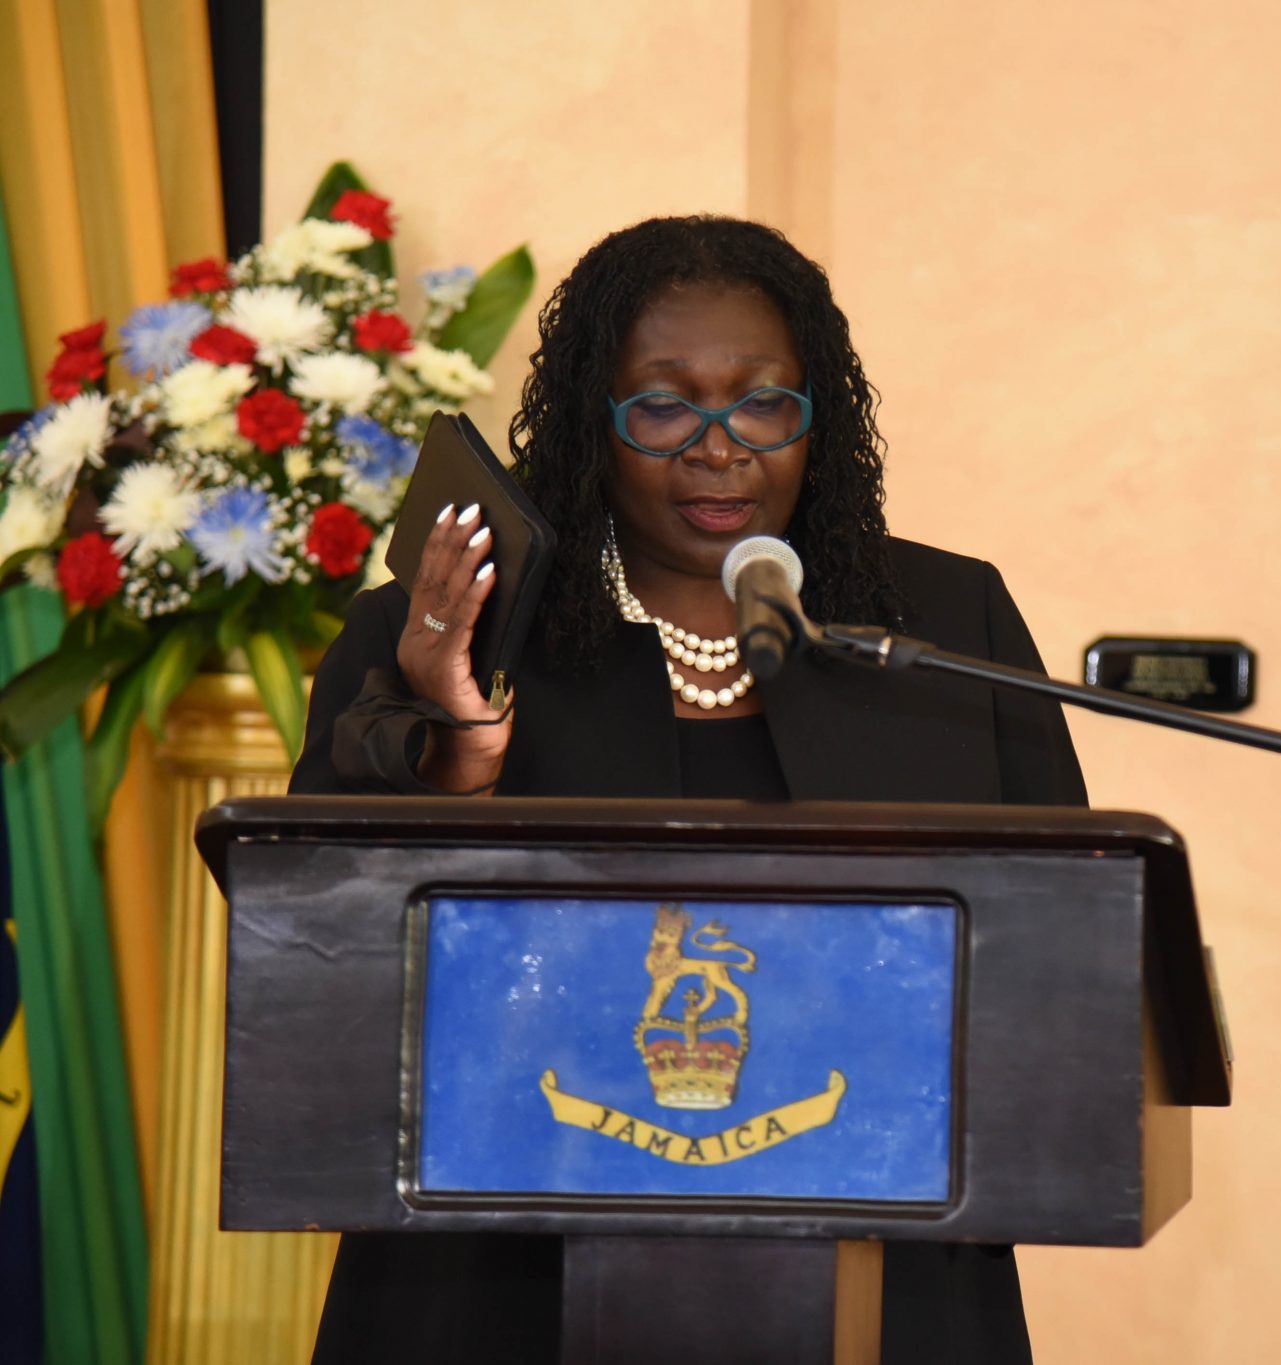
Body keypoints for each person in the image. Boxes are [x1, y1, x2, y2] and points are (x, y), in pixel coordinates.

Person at [290, 215, 1085, 1364]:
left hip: (884, 1258)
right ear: (590, 424)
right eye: (662, 406)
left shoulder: (937, 626)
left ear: (819, 415)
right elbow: (311, 945)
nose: (721, 449)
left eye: (764, 402)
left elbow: (1058, 937)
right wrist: (452, 756)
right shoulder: (442, 633)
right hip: (496, 1276)